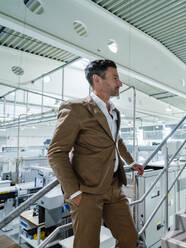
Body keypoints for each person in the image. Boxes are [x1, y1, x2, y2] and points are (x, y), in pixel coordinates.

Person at [48, 59, 144, 248]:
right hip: (87, 191)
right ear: (97, 80)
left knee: (130, 238)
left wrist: (131, 162)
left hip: (114, 186)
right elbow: (56, 152)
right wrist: (73, 192)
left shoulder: (114, 112)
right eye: (115, 78)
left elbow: (116, 140)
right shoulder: (76, 109)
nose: (120, 83)